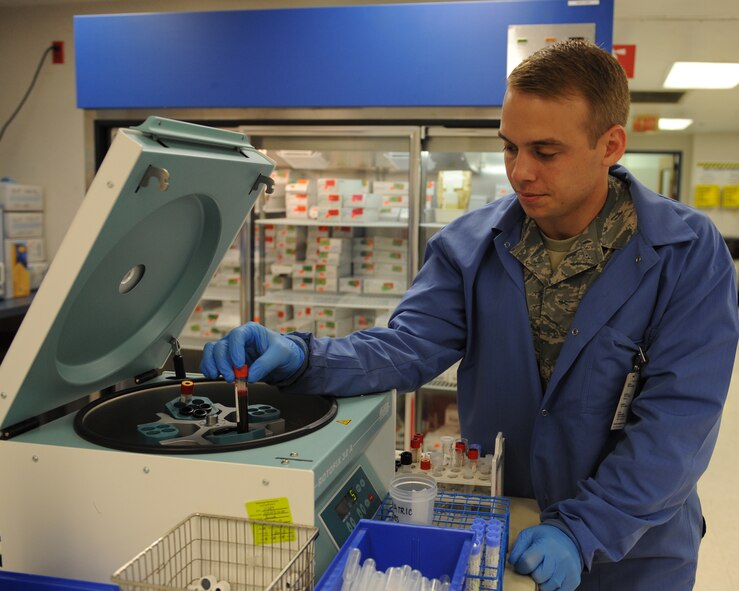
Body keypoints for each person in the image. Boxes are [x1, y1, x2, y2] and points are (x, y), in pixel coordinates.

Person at [201, 40, 739, 591]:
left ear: (610, 145)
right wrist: (300, 355)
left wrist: (583, 529)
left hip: (636, 552)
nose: (520, 172)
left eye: (545, 151)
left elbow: (678, 424)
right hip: (511, 530)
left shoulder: (685, 253)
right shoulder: (470, 246)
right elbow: (406, 347)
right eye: (510, 148)